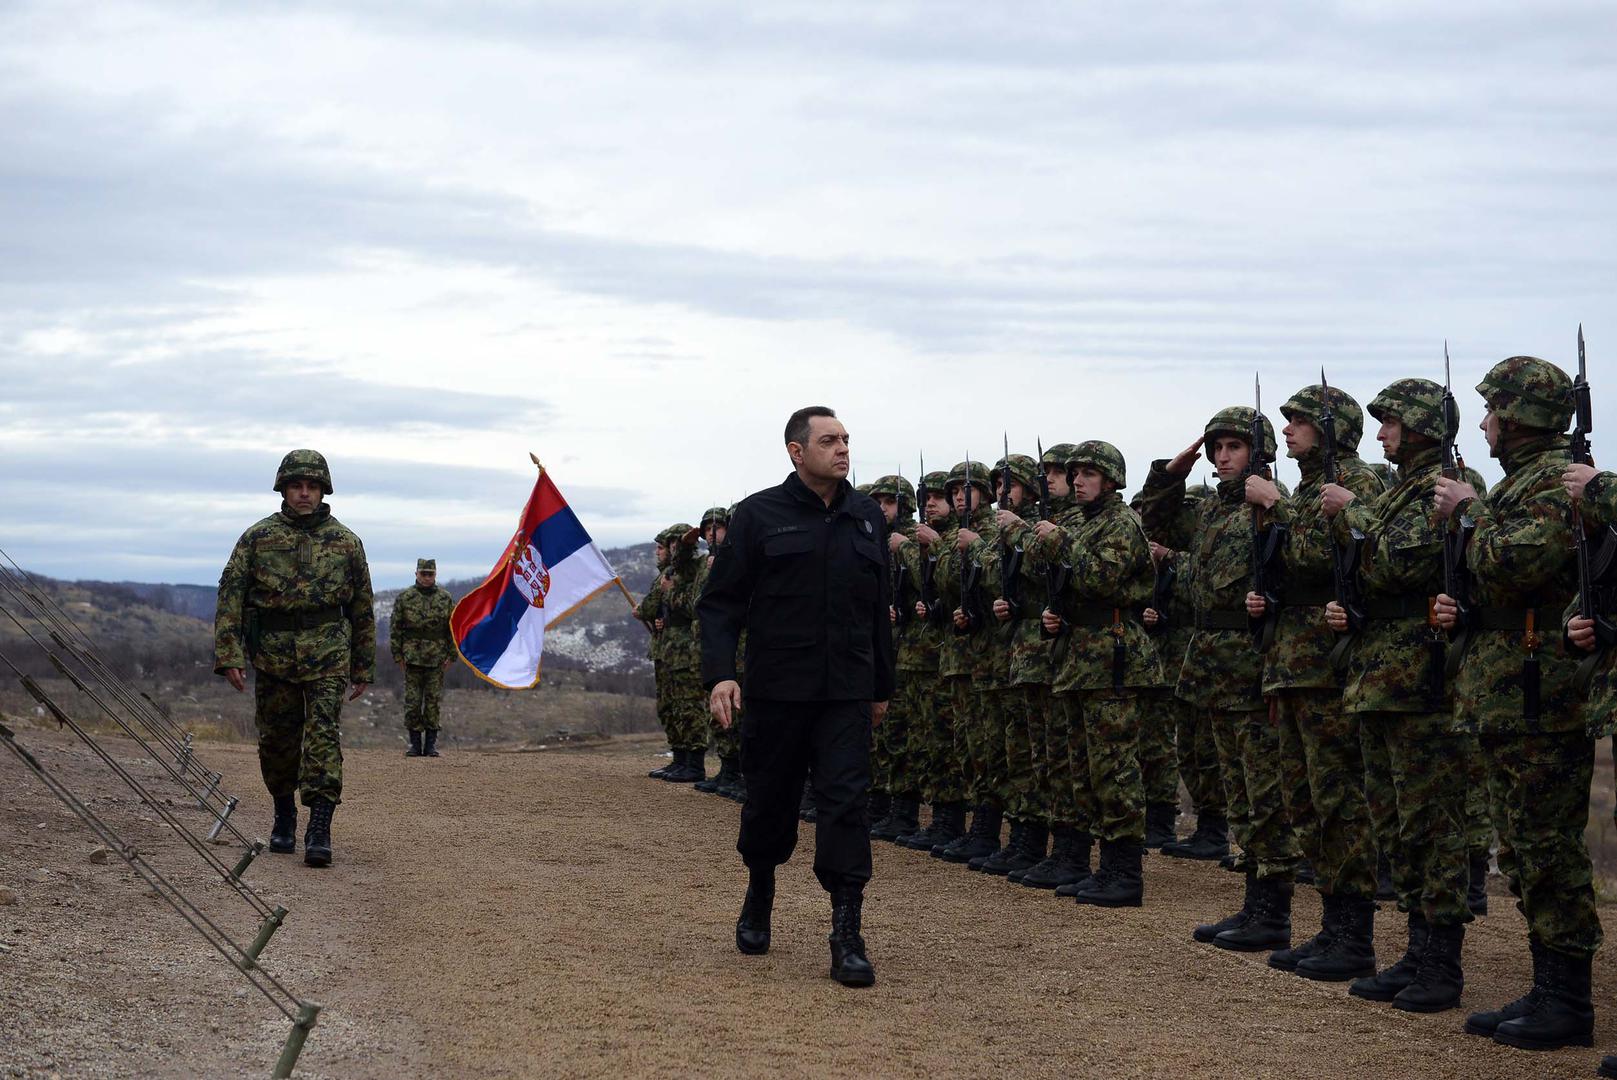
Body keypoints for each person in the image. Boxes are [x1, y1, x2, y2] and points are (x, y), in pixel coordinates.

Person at [699, 406, 894, 988]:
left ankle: (847, 932)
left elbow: (878, 611)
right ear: (795, 450)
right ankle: (760, 891)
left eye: (846, 440)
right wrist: (720, 675)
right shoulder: (758, 515)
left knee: (845, 804)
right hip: (778, 691)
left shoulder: (865, 517)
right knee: (770, 804)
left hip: (846, 693)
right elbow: (721, 604)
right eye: (829, 440)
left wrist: (882, 686)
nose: (842, 449)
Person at [1436, 356, 1594, 1050]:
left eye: (1491, 409)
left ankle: (1568, 1001)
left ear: (1519, 414)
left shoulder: (1555, 483)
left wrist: (1467, 513)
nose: (1482, 423)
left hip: (1539, 693)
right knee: (1524, 847)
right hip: (1504, 690)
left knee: (1546, 847)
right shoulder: (1520, 483)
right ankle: (1547, 986)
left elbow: (1515, 565)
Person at [1322, 379, 1472, 1013]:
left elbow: (1397, 562)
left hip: (1420, 681)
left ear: (1418, 428)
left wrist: (1350, 511)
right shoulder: (1403, 489)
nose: (1380, 433)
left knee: (1431, 824)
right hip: (1382, 678)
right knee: (1396, 823)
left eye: (1391, 423)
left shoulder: (1445, 484)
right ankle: (1415, 952)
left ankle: (1441, 963)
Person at [1140, 407, 1300, 951]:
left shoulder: (1273, 509)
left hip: (1255, 664)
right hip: (1212, 667)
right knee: (1237, 787)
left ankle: (1273, 910)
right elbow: (1152, 522)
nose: (1222, 457)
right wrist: (1172, 470)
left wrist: (1274, 505)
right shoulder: (1210, 513)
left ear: (1259, 453)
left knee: (1264, 791)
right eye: (1216, 448)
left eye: (1234, 447)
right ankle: (1255, 905)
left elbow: (1303, 564)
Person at [1244, 383, 1385, 980]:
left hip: (1330, 664)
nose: (1289, 430)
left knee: (1338, 799)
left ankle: (1353, 936)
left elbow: (1324, 557)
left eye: (1299, 421)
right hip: (1294, 663)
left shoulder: (1355, 482)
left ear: (1331, 429)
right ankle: (1332, 927)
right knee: (1304, 798)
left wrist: (1276, 508)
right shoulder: (1306, 487)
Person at [213, 449, 375, 868]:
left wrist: (363, 665)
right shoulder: (257, 538)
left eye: (312, 487)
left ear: (324, 491)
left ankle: (319, 827)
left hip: (328, 653)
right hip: (273, 654)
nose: (305, 494)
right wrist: (229, 652)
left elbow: (362, 607)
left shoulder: (346, 542)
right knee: (278, 741)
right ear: (283, 489)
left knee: (322, 737)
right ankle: (283, 813)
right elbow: (230, 596)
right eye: (297, 486)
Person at [390, 558, 455, 758]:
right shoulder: (405, 598)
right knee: (412, 701)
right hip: (412, 657)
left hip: (437, 657)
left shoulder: (445, 598)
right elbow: (396, 628)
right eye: (423, 574)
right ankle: (415, 744)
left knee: (433, 701)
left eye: (430, 574)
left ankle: (431, 745)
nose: (427, 578)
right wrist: (397, 654)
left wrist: (452, 654)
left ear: (435, 575)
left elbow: (452, 629)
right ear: (416, 574)